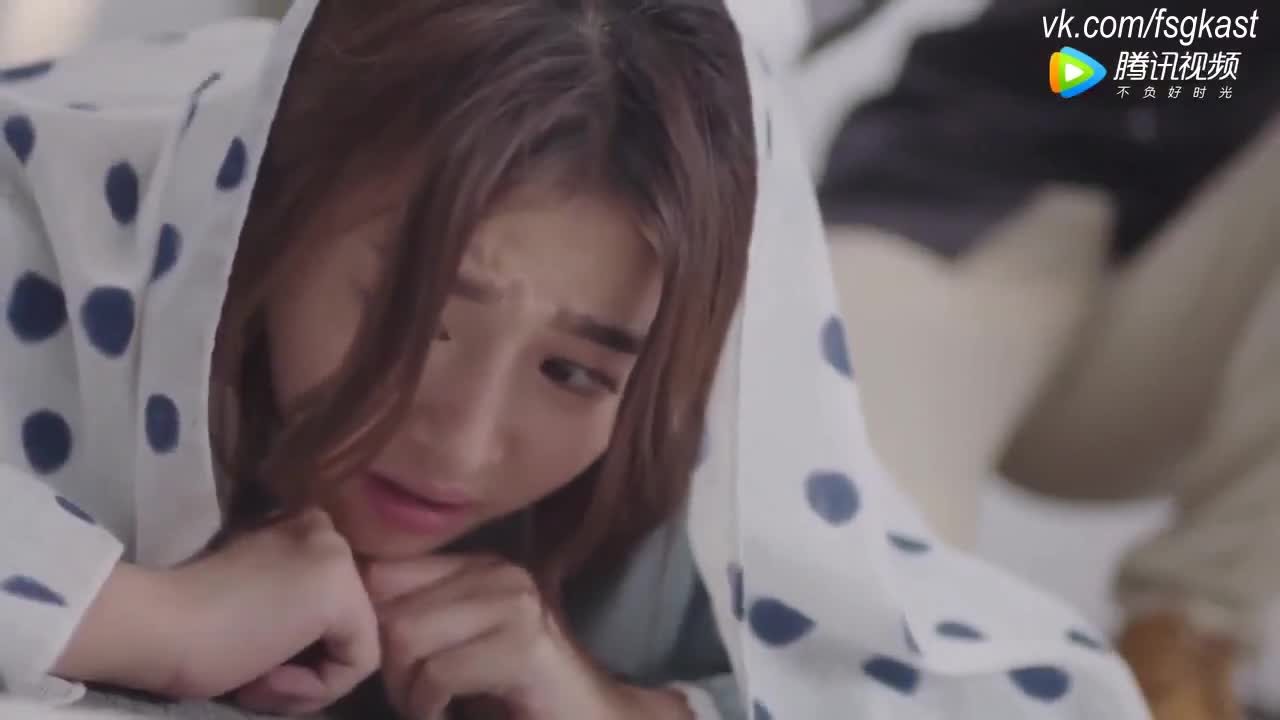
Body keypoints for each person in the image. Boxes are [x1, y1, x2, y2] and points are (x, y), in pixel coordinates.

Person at [1, 1, 1151, 719]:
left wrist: (621, 709)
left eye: (573, 372)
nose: (459, 444)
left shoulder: (693, 467)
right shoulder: (51, 219)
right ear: (272, 203)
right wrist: (143, 620)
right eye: (416, 316)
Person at [818, 2, 1280, 718]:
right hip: (935, 218)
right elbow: (1081, 62)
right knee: (854, 612)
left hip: (1164, 302)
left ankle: (1185, 641)